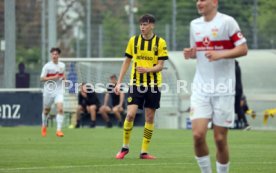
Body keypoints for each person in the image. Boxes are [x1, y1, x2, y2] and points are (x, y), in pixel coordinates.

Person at [183, 0, 248, 173]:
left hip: (224, 88)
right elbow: (197, 51)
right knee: (197, 135)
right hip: (201, 87)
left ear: (214, 2)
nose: (199, 3)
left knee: (220, 139)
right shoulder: (194, 24)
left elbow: (243, 49)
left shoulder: (227, 22)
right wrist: (191, 53)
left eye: (203, 0)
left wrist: (221, 54)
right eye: (197, 0)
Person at [114, 14, 169, 160]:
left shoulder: (160, 42)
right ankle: (124, 147)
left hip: (153, 85)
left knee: (149, 117)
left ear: (152, 25)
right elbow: (126, 61)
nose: (142, 27)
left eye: (145, 24)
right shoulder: (134, 41)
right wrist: (119, 82)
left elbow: (161, 66)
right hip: (136, 84)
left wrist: (148, 70)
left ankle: (144, 152)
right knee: (130, 114)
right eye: (141, 25)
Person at [40, 47, 66, 137]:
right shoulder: (47, 66)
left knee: (60, 108)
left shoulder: (62, 65)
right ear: (51, 55)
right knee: (46, 111)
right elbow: (42, 78)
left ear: (59, 55)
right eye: (53, 54)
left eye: (56, 54)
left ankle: (58, 130)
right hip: (48, 91)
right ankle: (44, 126)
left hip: (59, 91)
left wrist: (65, 81)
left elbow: (63, 75)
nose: (54, 55)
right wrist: (53, 77)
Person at [234, 60, 250, 130]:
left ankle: (245, 124)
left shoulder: (234, 67)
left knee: (238, 108)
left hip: (235, 90)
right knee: (238, 108)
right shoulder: (237, 66)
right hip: (238, 90)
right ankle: (245, 123)